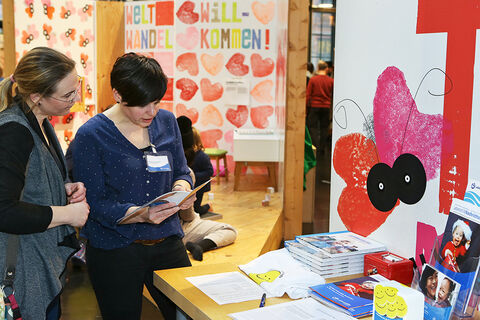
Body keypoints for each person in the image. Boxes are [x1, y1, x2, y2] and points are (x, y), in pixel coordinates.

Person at [72, 52, 194, 320]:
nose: (151, 112)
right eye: (142, 105)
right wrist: (140, 213)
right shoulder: (91, 135)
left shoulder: (167, 122)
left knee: (189, 312)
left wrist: (184, 188)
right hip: (115, 249)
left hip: (168, 240)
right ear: (117, 94)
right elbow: (92, 204)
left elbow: (183, 171)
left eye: (157, 102)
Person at [0, 47, 89, 319]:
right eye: (67, 95)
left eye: (77, 88)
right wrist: (67, 214)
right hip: (23, 269)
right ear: (37, 96)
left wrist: (65, 188)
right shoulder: (14, 132)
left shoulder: (41, 121)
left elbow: (35, 179)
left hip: (40, 262)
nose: (75, 99)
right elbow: (4, 210)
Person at [178, 169, 238, 261]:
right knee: (228, 230)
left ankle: (198, 246)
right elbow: (187, 216)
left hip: (178, 227)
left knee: (228, 229)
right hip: (176, 229)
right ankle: (201, 245)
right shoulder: (187, 172)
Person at [177, 115, 214, 215]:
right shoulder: (184, 154)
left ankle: (208, 206)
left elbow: (209, 171)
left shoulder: (202, 156)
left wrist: (193, 176)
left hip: (199, 187)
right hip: (188, 186)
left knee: (196, 209)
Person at [306, 60, 334, 155]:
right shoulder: (331, 81)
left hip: (314, 106)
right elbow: (333, 95)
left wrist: (306, 108)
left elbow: (308, 95)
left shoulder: (313, 80)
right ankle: (322, 148)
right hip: (326, 106)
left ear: (318, 68)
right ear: (326, 69)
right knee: (324, 128)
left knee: (312, 127)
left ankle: (315, 146)